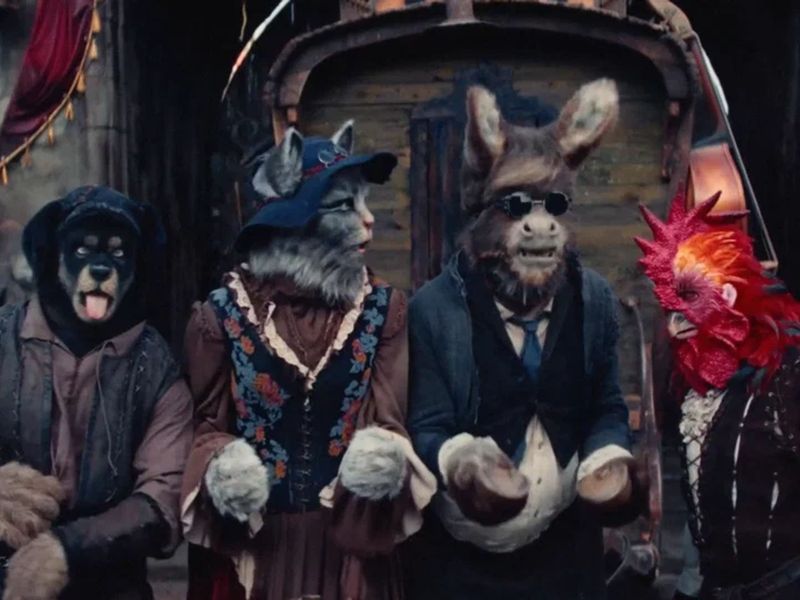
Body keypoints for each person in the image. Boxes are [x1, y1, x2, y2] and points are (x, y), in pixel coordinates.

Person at [181, 121, 435, 600]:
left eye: (364, 203)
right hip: (261, 545)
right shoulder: (221, 316)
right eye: (344, 206)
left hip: (353, 537)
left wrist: (380, 456)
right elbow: (206, 426)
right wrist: (223, 467)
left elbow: (389, 418)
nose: (368, 219)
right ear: (291, 221)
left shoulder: (383, 310)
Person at [405, 79, 639, 599]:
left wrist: (606, 456)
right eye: (515, 206)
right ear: (483, 215)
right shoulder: (433, 311)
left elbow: (605, 404)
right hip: (460, 562)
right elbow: (425, 424)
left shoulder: (595, 301)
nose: (541, 225)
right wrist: (461, 462)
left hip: (566, 554)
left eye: (553, 205)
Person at [0, 185, 192, 599]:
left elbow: (165, 494)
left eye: (119, 255)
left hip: (110, 583)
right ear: (54, 257)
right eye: (83, 251)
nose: (102, 267)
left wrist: (70, 549)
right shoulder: (4, 339)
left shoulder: (156, 367)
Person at [637, 191, 800, 600]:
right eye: (670, 308)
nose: (674, 323)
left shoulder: (790, 374)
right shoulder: (695, 385)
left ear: (728, 296)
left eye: (690, 299)